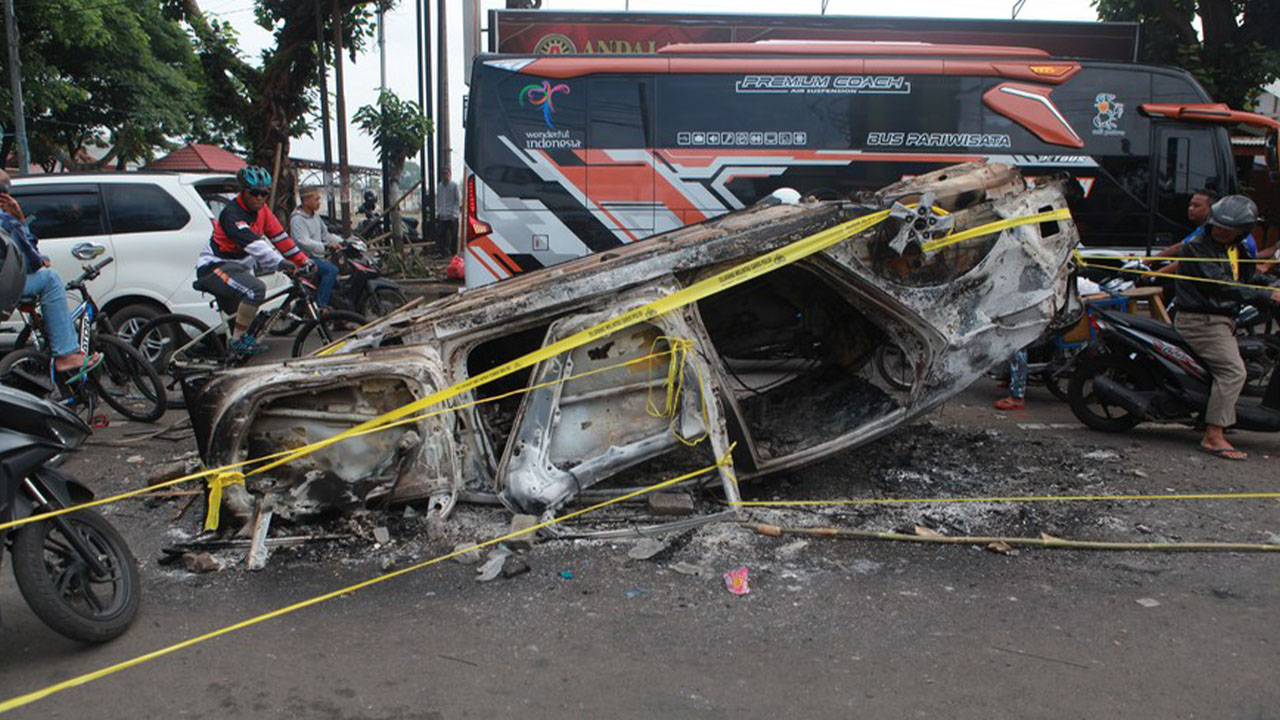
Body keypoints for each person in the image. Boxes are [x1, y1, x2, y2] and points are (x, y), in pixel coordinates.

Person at [1171, 194, 1280, 461]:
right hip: (1201, 321)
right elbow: (1221, 285)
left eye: (1228, 228)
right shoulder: (1197, 246)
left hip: (1224, 318)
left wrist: (1270, 285)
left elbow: (1249, 276)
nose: (1220, 230)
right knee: (1232, 372)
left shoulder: (1237, 247)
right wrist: (1265, 296)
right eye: (1218, 224)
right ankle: (1213, 435)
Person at [194, 166, 313, 356]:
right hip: (214, 267)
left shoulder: (263, 211)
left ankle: (233, 353)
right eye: (254, 193)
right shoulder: (231, 214)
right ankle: (237, 342)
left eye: (264, 193)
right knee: (255, 289)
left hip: (237, 269)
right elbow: (256, 245)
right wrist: (281, 263)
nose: (259, 198)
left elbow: (280, 238)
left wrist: (303, 260)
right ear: (243, 191)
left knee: (249, 320)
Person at [0, 170, 100, 377]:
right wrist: (18, 218)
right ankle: (66, 354)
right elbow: (30, 262)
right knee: (50, 279)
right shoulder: (6, 221)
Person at [288, 187, 342, 310]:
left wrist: (343, 241)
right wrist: (325, 246)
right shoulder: (297, 219)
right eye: (316, 199)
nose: (319, 202)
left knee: (336, 285)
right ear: (305, 201)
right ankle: (320, 306)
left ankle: (338, 317)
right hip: (305, 259)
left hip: (318, 257)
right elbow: (302, 241)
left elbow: (326, 234)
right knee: (331, 270)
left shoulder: (315, 216)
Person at [435, 168, 460, 256]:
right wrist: (439, 211)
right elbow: (439, 199)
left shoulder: (454, 186)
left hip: (452, 215)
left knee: (454, 235)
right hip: (442, 214)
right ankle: (442, 252)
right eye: (444, 174)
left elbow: (457, 200)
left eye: (447, 174)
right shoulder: (439, 186)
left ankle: (454, 252)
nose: (445, 176)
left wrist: (454, 213)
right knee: (441, 234)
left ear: (450, 175)